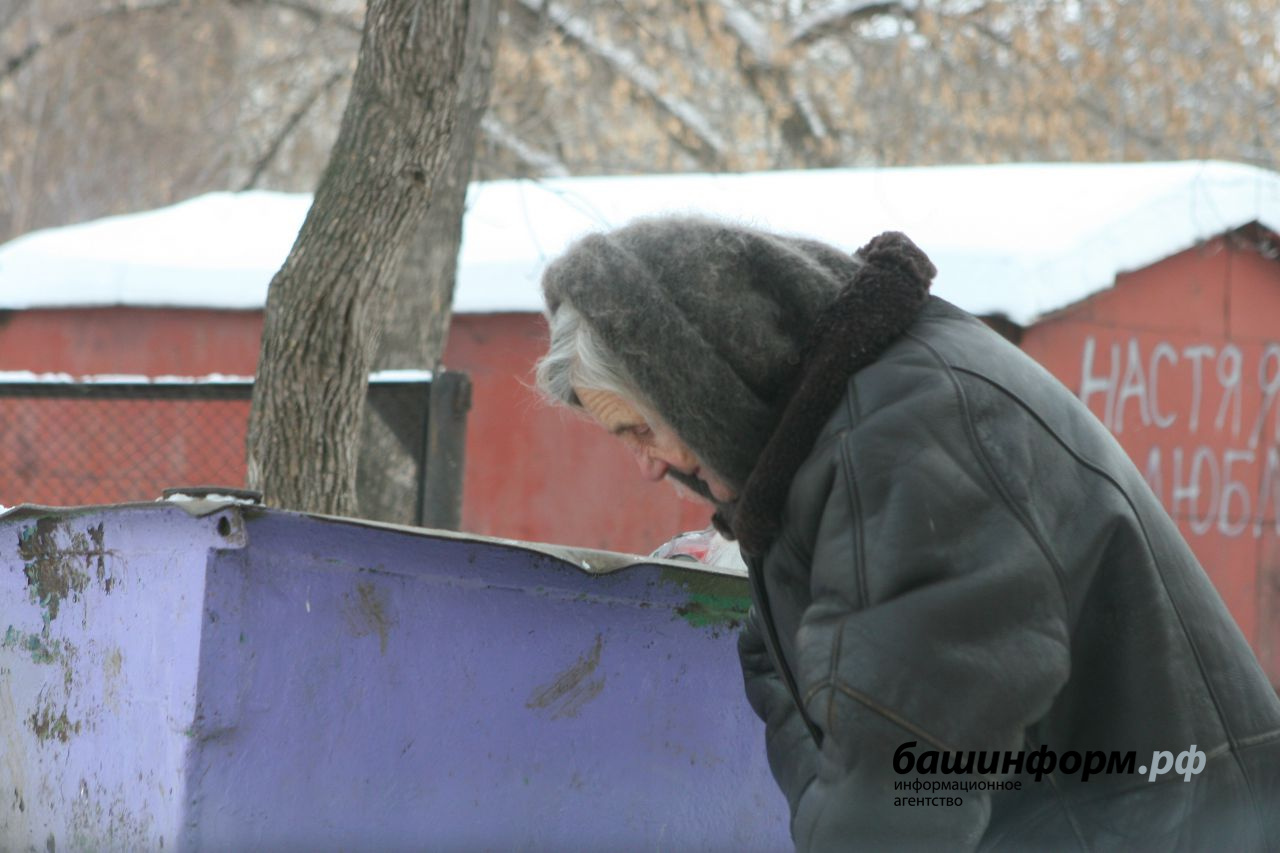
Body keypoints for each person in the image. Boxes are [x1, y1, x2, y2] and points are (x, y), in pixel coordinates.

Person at [534, 216, 1280, 851]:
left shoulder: (908, 433)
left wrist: (850, 806)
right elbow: (789, 669)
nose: (645, 468)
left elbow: (907, 777)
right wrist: (834, 801)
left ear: (694, 384)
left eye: (639, 429)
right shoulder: (825, 438)